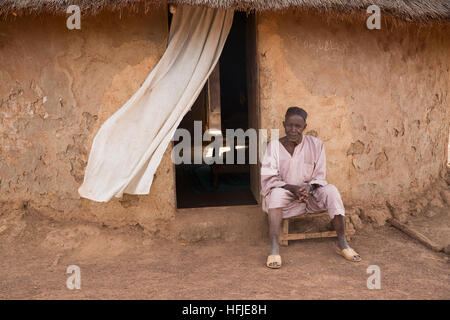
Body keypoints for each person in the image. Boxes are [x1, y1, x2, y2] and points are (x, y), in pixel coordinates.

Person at [261, 107, 361, 268]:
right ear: (283, 124)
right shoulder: (273, 147)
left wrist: (308, 188)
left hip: (311, 194)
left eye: (298, 126)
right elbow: (269, 178)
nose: (293, 130)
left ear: (304, 127)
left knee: (332, 191)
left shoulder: (316, 145)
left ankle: (343, 244)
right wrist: (293, 188)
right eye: (289, 125)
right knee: (275, 196)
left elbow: (319, 176)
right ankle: (274, 250)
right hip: (286, 193)